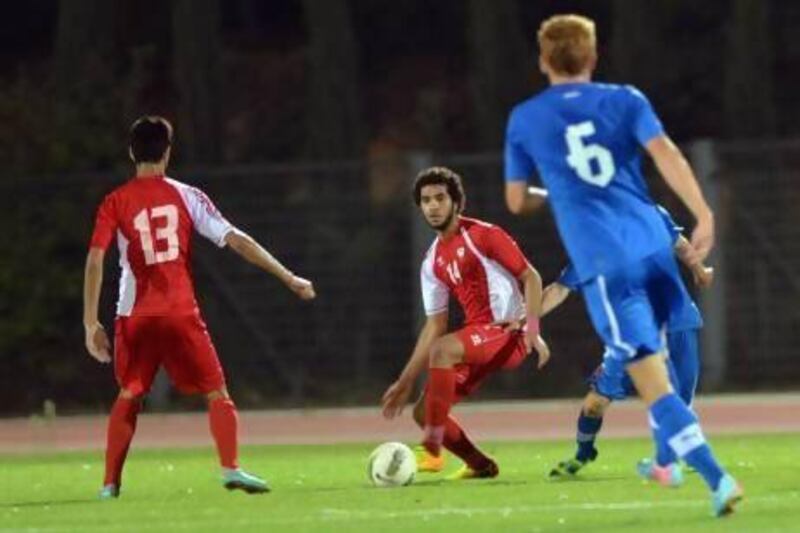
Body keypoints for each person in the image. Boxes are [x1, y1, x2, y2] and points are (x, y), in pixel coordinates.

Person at [503, 14, 742, 516]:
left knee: (653, 384)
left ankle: (717, 479)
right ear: (593, 57)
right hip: (655, 246)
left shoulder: (526, 117)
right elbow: (668, 154)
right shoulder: (627, 99)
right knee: (664, 376)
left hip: (609, 264)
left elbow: (515, 200)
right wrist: (703, 213)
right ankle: (669, 465)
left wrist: (558, 195)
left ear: (543, 60)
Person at [83, 116, 315, 499]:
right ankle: (230, 467)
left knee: (129, 394)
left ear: (130, 152)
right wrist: (288, 277)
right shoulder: (187, 195)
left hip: (134, 315)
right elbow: (236, 240)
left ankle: (110, 484)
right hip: (180, 312)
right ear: (168, 152)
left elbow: (95, 260)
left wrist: (90, 322)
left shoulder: (114, 201)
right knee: (216, 392)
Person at [381, 166, 550, 479]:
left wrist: (533, 330)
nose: (433, 206)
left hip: (507, 332)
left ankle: (431, 448)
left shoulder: (484, 235)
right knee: (424, 410)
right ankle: (481, 465)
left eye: (440, 198)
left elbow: (531, 276)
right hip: (478, 339)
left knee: (443, 351)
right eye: (426, 200)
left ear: (457, 202)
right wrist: (405, 381)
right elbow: (434, 325)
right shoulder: (432, 261)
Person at [545, 206, 713, 486]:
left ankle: (676, 464)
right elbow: (559, 289)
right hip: (630, 336)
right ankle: (583, 453)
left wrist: (699, 269)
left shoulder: (650, 213)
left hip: (676, 324)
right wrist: (526, 319)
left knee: (677, 405)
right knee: (595, 404)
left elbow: (680, 245)